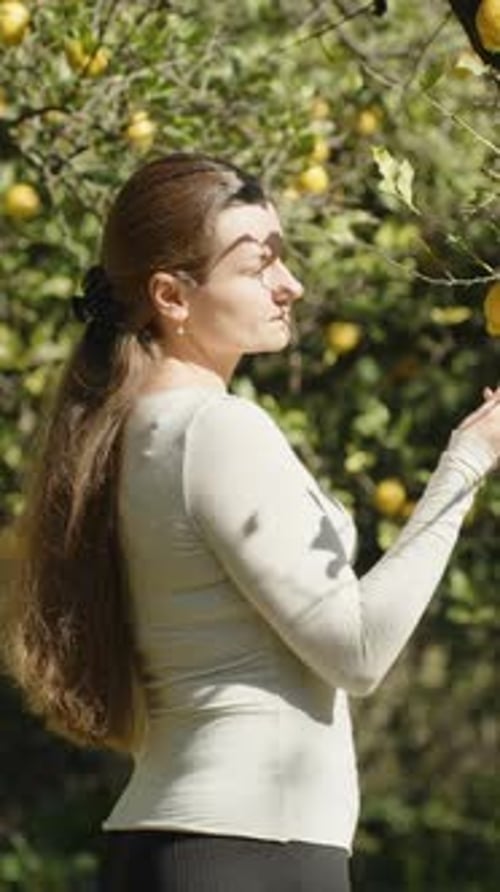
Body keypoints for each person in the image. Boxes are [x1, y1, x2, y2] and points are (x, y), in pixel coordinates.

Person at [3, 152, 500, 892]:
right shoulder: (216, 430)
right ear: (171, 296)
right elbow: (357, 652)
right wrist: (466, 463)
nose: (289, 283)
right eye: (257, 265)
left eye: (284, 258)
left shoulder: (132, 429)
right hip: (252, 851)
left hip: (184, 843)